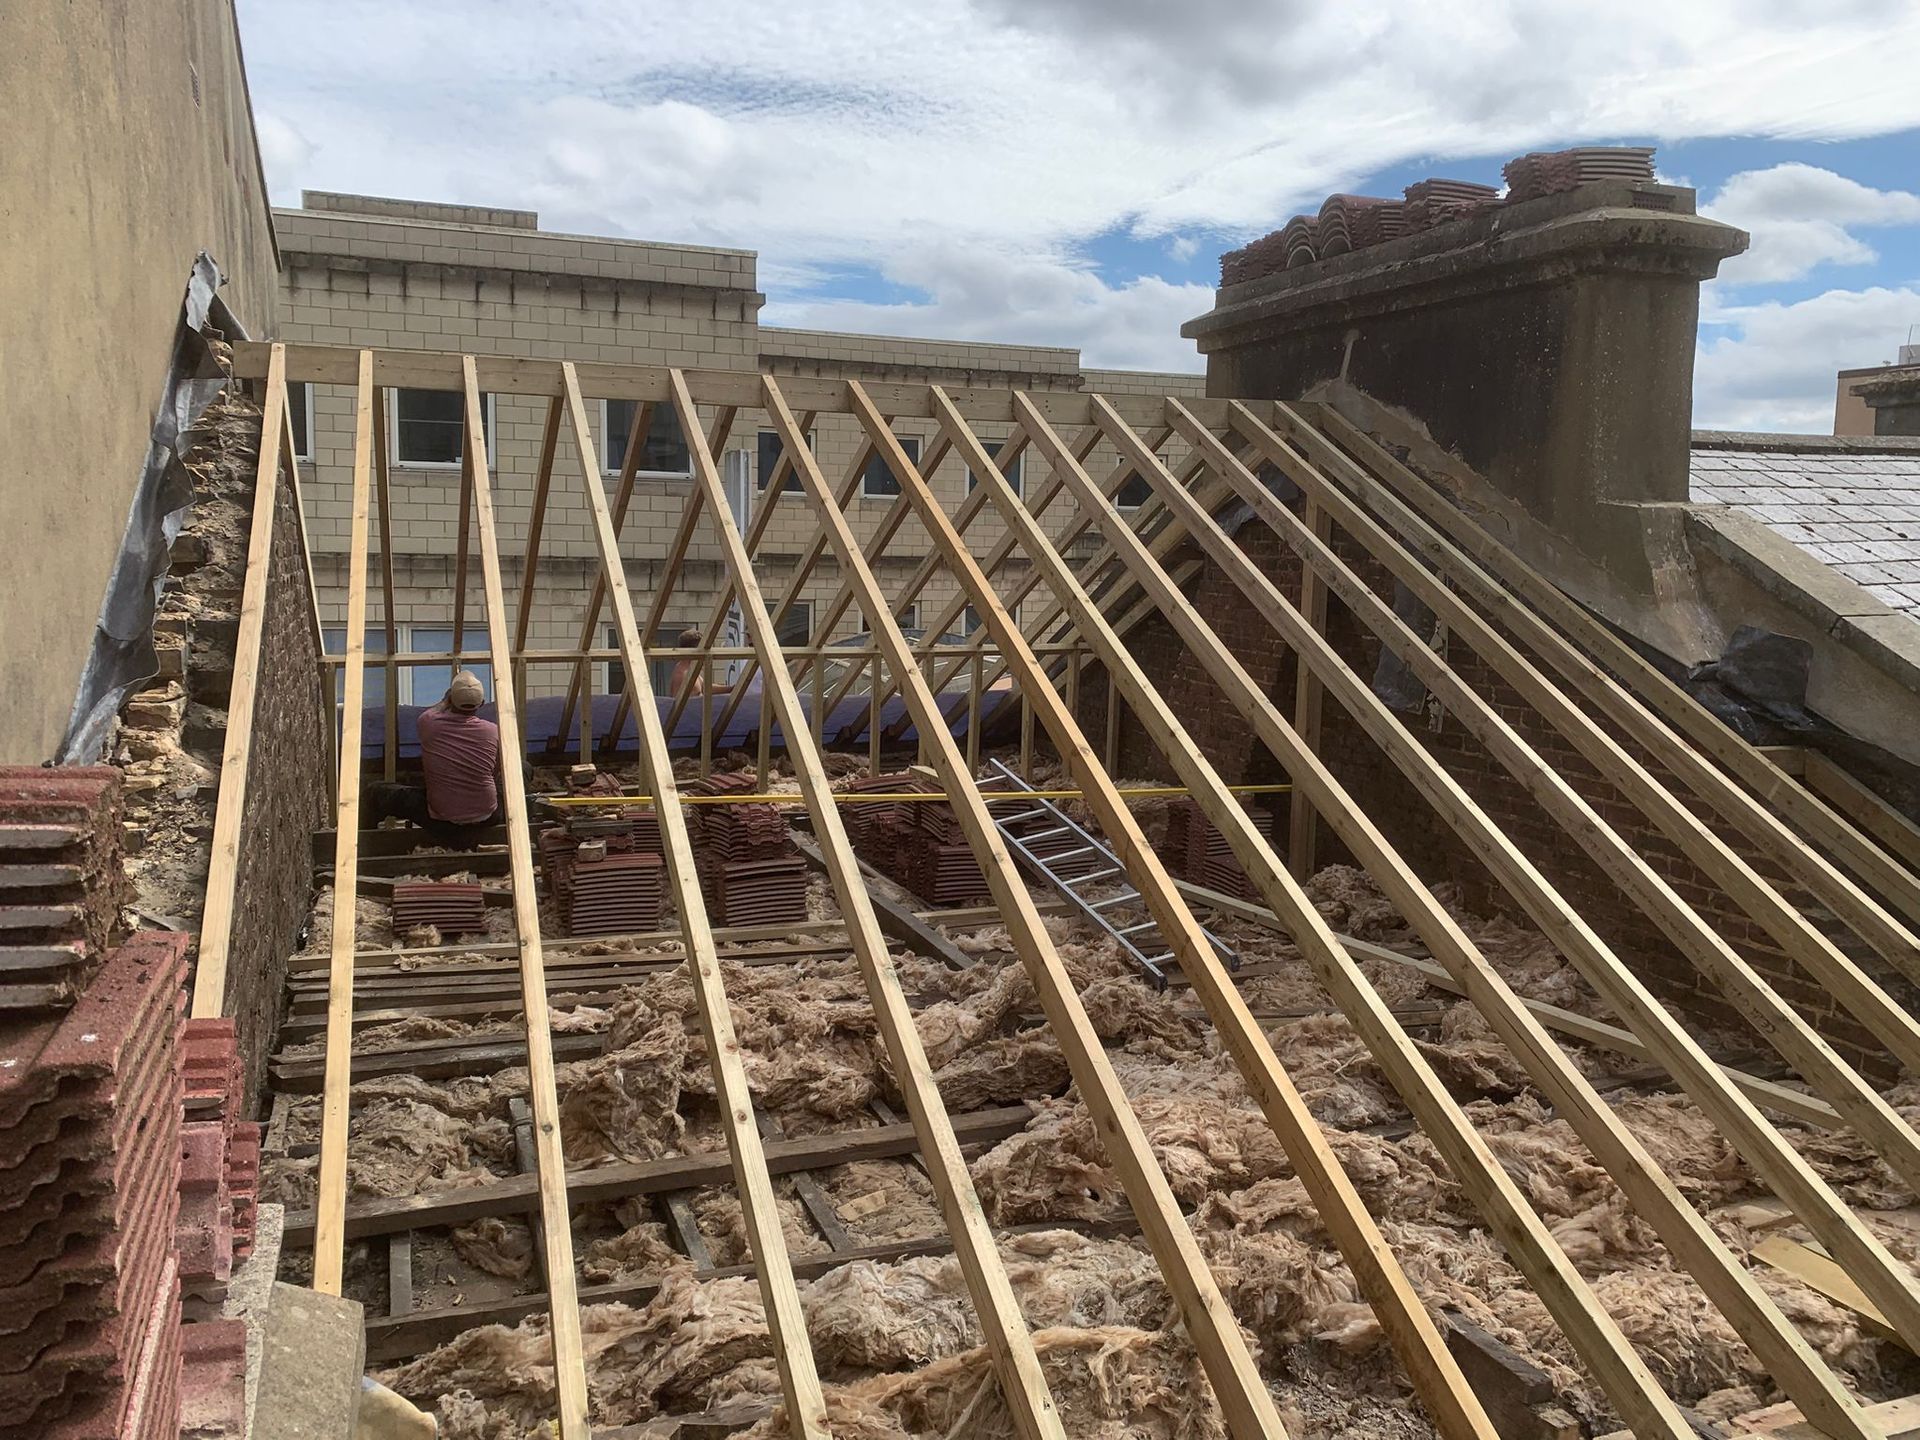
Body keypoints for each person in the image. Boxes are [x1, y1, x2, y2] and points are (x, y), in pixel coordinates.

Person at [365, 671, 508, 848]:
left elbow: (435, 710)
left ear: (449, 699)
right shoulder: (492, 731)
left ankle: (365, 846)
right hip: (487, 816)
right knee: (521, 770)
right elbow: (497, 769)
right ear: (483, 704)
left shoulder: (428, 723)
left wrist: (446, 699)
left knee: (376, 792)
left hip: (441, 820)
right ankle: (520, 826)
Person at [668, 627, 705, 699]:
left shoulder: (690, 670)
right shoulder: (682, 675)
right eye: (703, 650)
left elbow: (705, 687)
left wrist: (731, 689)